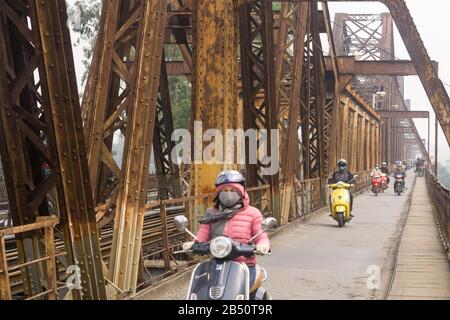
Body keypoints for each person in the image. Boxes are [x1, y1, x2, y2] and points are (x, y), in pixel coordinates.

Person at [182, 170, 270, 291]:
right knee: (202, 291)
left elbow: (261, 235)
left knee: (242, 292)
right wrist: (194, 244)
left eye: (233, 190)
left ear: (241, 192)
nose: (228, 194)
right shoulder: (211, 213)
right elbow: (202, 235)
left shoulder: (253, 213)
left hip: (244, 266)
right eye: (224, 190)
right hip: (217, 264)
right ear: (218, 193)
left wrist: (262, 245)